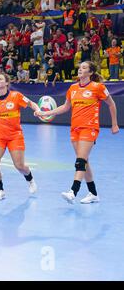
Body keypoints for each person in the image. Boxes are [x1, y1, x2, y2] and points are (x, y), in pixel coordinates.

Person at [36, 61, 119, 204]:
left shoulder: (98, 87)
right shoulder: (73, 88)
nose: (80, 70)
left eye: (84, 68)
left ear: (91, 72)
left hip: (90, 127)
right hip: (75, 128)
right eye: (80, 68)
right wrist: (46, 113)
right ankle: (93, 194)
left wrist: (114, 124)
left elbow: (111, 104)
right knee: (84, 160)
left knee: (80, 161)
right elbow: (65, 107)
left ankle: (73, 191)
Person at [0, 73, 39, 201]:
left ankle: (30, 179)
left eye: (0, 79)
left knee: (19, 165)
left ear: (6, 83)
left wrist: (37, 110)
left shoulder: (16, 96)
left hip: (14, 136)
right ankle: (0, 190)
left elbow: (31, 104)